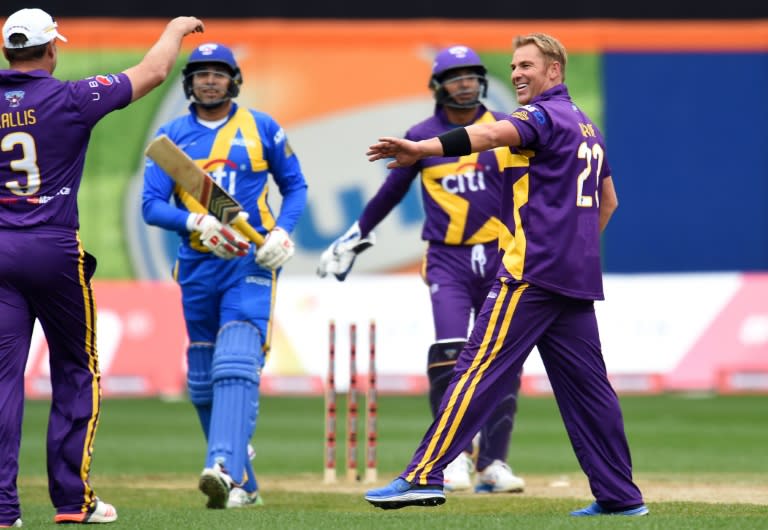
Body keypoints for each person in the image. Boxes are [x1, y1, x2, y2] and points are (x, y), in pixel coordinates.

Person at [363, 33, 648, 517]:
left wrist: (423, 147)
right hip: (573, 278)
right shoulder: (586, 126)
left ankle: (424, 474)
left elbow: (490, 135)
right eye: (514, 66)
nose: (516, 74)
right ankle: (621, 497)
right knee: (589, 390)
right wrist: (572, 249)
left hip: (530, 275)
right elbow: (610, 201)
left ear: (554, 70)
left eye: (527, 66)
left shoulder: (539, 116)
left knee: (476, 369)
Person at [0, 9, 204, 527]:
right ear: (51, 50)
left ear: (7, 52)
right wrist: (176, 28)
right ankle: (73, 502)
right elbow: (153, 73)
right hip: (52, 248)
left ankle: (3, 508)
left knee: (3, 380)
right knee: (75, 369)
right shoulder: (70, 97)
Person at [317, 45, 524, 494]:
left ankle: (493, 463)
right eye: (456, 76)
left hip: (498, 255)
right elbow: (390, 192)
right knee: (451, 353)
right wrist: (355, 234)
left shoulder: (503, 130)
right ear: (438, 86)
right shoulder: (422, 135)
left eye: (472, 75)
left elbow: (525, 190)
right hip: (447, 258)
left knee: (502, 358)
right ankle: (453, 460)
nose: (466, 83)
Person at [142, 42, 308, 510]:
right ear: (189, 82)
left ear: (234, 79)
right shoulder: (172, 137)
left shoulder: (262, 128)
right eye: (200, 74)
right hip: (196, 265)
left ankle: (221, 466)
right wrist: (196, 221)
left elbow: (295, 186)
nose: (209, 80)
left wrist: (281, 232)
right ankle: (245, 484)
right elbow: (152, 206)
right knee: (201, 379)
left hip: (249, 264)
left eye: (218, 73)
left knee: (235, 362)